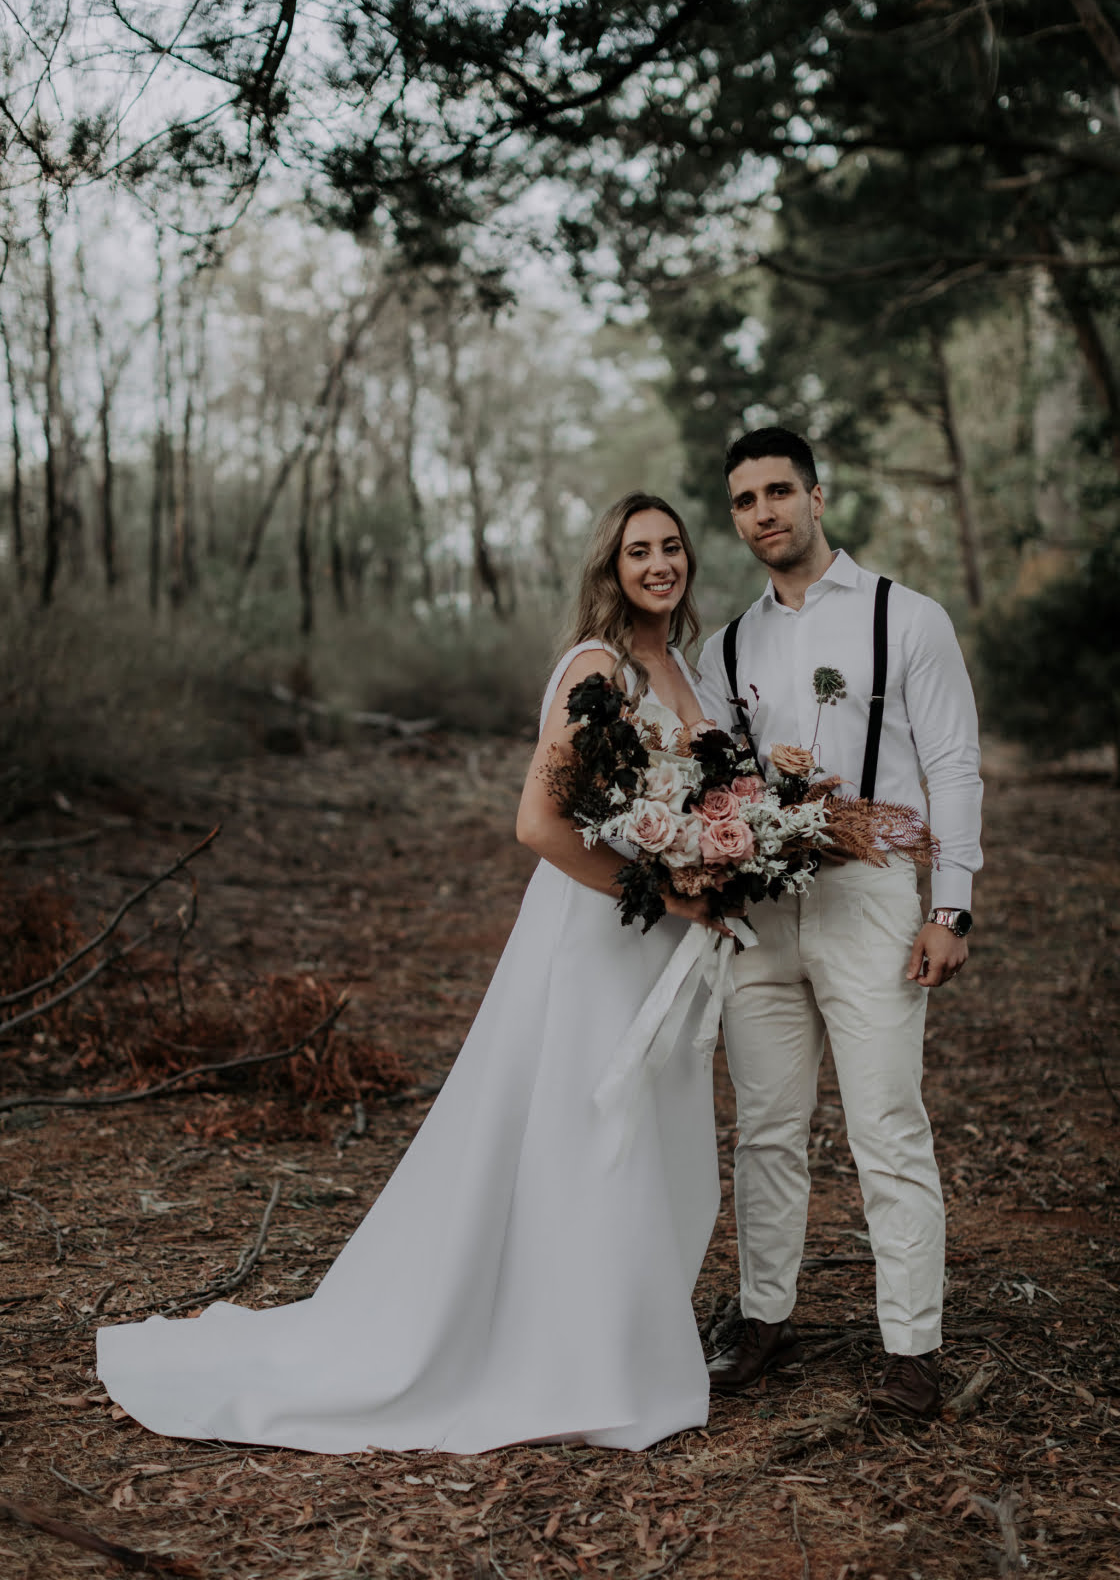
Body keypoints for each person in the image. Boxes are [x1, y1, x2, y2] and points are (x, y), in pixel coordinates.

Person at [97, 493, 728, 1455]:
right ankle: (573, 1362)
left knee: (651, 1128)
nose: (658, 564)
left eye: (671, 547)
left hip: (662, 939)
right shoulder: (594, 669)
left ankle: (629, 1340)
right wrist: (666, 891)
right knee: (592, 1131)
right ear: (611, 568)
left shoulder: (685, 666)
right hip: (602, 930)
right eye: (638, 550)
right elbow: (537, 825)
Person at [697, 427, 983, 1420]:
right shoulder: (727, 647)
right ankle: (764, 1316)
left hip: (870, 898)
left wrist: (951, 905)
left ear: (816, 498)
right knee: (765, 1129)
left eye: (778, 491)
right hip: (762, 915)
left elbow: (953, 768)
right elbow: (712, 782)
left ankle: (911, 1350)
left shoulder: (906, 618)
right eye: (745, 500)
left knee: (886, 1126)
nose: (763, 513)